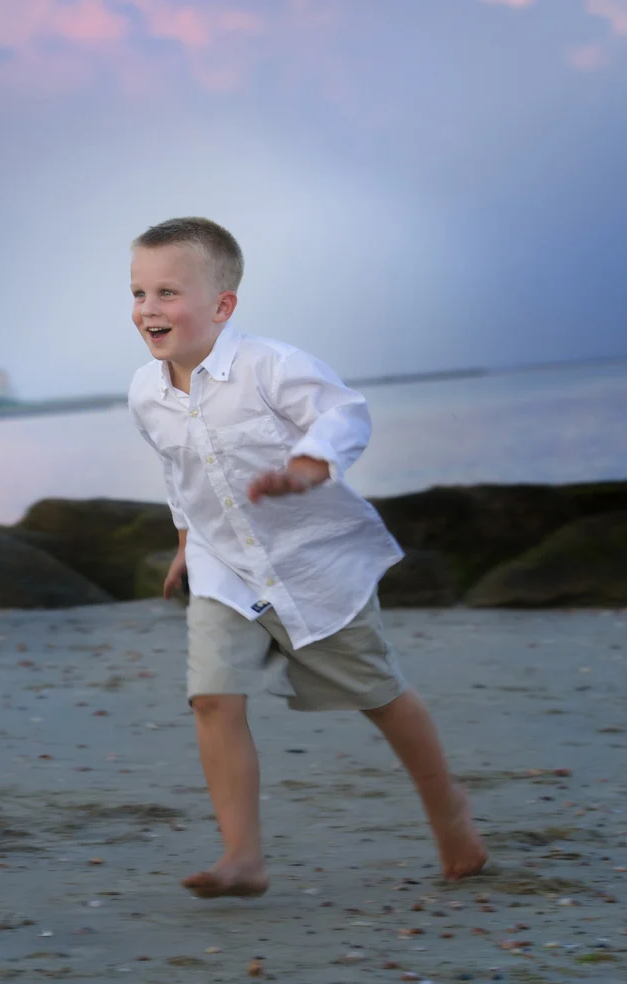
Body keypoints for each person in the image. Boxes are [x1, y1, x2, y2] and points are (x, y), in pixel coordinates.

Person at [127, 216, 486, 899]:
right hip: (225, 571)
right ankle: (242, 856)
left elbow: (343, 415)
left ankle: (450, 814)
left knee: (379, 696)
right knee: (212, 698)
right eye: (138, 293)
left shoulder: (272, 366)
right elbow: (178, 471)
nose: (148, 308)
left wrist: (307, 466)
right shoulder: (146, 392)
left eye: (167, 292)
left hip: (312, 566)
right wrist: (184, 544)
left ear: (222, 304)